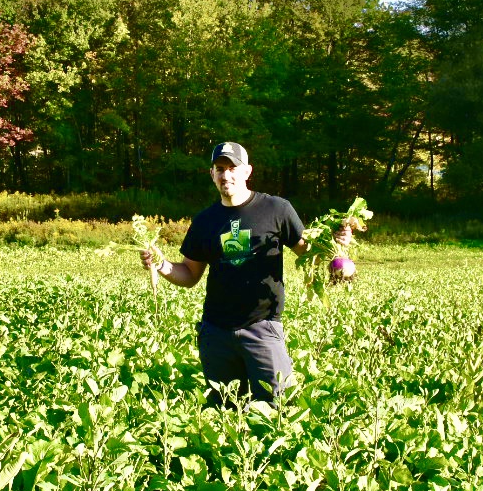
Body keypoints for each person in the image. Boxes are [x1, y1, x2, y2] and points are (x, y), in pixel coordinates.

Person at [139, 141, 348, 406]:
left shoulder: (276, 209)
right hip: (216, 332)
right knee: (223, 413)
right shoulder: (205, 221)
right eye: (220, 168)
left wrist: (337, 247)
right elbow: (190, 274)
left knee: (278, 409)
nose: (226, 175)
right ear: (212, 174)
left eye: (232, 168)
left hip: (263, 328)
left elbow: (308, 254)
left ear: (247, 171)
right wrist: (160, 264)